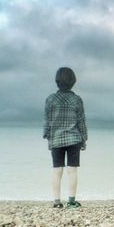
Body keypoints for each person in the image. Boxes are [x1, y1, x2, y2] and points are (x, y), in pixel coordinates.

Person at [43, 67, 88, 208]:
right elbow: (81, 121)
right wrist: (84, 138)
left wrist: (48, 137)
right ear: (73, 81)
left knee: (57, 170)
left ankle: (57, 202)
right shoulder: (77, 100)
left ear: (57, 81)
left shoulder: (50, 99)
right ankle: (71, 201)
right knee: (72, 170)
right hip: (74, 138)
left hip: (56, 138)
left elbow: (47, 121)